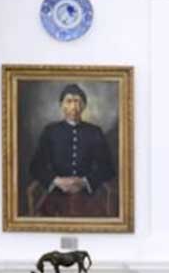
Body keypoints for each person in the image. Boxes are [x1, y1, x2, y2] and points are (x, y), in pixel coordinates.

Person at [28, 83, 116, 218]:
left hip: (88, 196)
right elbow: (35, 166)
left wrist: (84, 182)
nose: (73, 107)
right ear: (61, 105)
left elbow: (107, 168)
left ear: (84, 106)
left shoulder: (95, 132)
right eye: (69, 101)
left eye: (77, 102)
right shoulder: (50, 131)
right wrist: (57, 181)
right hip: (56, 195)